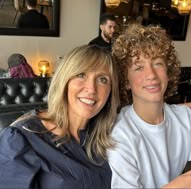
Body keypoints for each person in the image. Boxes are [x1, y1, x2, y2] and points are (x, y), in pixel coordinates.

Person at [108, 24, 191, 189]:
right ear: (125, 80)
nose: (151, 75)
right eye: (139, 67)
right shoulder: (119, 133)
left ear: (168, 70)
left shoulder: (185, 117)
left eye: (158, 63)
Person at [0, 45, 120, 188]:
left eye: (102, 79)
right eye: (81, 75)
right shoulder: (21, 139)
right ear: (64, 81)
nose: (91, 89)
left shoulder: (110, 135)